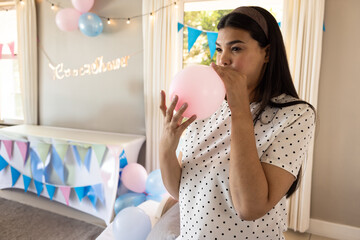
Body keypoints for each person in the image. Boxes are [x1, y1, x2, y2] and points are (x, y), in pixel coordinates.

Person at [159, 6, 316, 240]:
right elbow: (180, 190)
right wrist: (167, 146)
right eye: (219, 49)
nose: (222, 59)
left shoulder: (296, 115)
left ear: (267, 53)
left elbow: (249, 208)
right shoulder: (206, 105)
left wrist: (240, 109)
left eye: (236, 48)